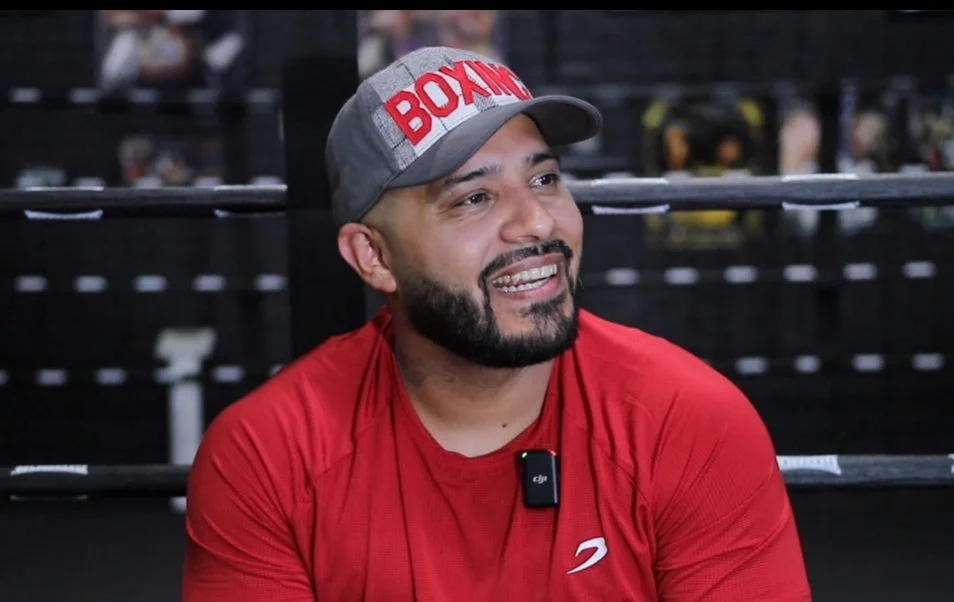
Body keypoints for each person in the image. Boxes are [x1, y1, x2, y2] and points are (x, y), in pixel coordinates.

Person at [182, 46, 813, 601]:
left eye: (545, 178)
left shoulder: (687, 422)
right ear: (374, 256)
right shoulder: (268, 456)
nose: (536, 221)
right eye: (474, 198)